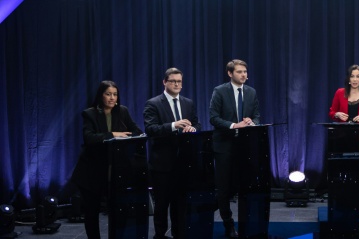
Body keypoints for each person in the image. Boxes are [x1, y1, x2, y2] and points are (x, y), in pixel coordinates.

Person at [71, 81, 143, 239]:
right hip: (92, 172)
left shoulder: (122, 111)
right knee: (92, 212)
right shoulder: (89, 113)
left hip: (116, 170)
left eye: (115, 94)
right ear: (100, 95)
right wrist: (113, 134)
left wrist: (132, 135)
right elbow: (89, 138)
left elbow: (136, 131)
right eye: (108, 94)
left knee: (120, 210)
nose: (112, 97)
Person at [144, 68, 202, 239]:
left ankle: (179, 234)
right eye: (173, 81)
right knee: (162, 205)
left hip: (184, 163)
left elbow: (197, 124)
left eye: (179, 82)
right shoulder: (153, 103)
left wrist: (193, 128)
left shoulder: (188, 103)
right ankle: (160, 235)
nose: (177, 84)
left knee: (181, 204)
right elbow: (150, 129)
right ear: (164, 82)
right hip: (162, 164)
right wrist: (173, 125)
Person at [209, 59, 260, 238]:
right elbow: (214, 118)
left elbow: (256, 115)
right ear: (230, 74)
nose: (243, 75)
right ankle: (228, 224)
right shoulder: (220, 91)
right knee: (224, 188)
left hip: (245, 147)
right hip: (224, 145)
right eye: (239, 72)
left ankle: (246, 223)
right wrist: (234, 125)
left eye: (245, 71)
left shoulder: (251, 92)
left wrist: (252, 122)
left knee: (242, 186)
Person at [329, 64, 359, 167]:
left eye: (358, 76)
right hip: (342, 136)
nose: (355, 79)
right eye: (352, 76)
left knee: (358, 167)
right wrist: (337, 114)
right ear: (348, 78)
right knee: (342, 166)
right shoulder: (339, 93)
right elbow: (332, 113)